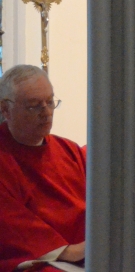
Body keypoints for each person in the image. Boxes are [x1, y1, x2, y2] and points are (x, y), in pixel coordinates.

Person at [0, 64, 86, 271]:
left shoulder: (68, 150)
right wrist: (67, 251)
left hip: (88, 249)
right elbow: (12, 223)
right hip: (37, 258)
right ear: (5, 109)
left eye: (50, 102)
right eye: (33, 105)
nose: (46, 112)